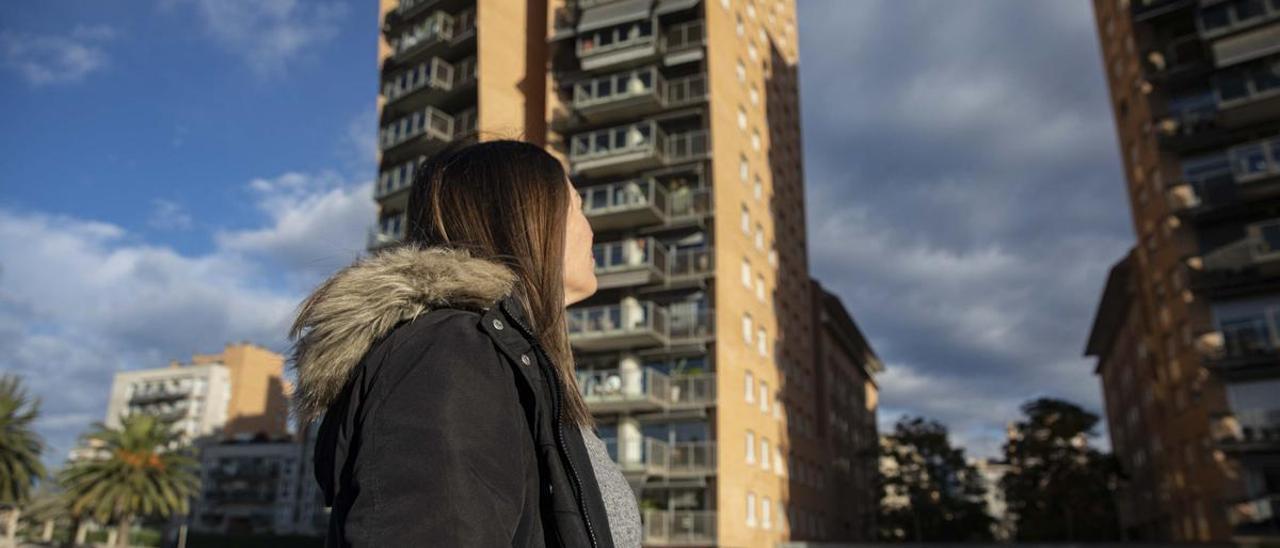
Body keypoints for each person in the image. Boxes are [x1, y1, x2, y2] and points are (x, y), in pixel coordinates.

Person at [288, 139, 641, 547]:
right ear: (527, 218)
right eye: (576, 205)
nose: (591, 228)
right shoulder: (451, 353)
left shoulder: (514, 368)